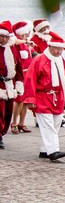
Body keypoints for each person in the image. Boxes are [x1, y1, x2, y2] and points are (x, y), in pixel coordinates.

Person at [22, 32, 65, 162]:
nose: (59, 51)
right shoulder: (39, 60)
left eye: (61, 49)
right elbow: (30, 79)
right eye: (56, 48)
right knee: (48, 125)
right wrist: (30, 99)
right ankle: (53, 151)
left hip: (57, 96)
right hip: (43, 96)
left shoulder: (61, 61)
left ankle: (45, 150)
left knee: (55, 124)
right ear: (50, 46)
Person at [0, 21, 25, 149]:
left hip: (10, 84)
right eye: (1, 36)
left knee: (8, 112)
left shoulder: (13, 49)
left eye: (5, 36)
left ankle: (2, 132)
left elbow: (19, 67)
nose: (3, 39)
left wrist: (20, 83)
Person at [9, 21, 34, 135]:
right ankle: (14, 122)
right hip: (20, 74)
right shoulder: (15, 42)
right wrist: (26, 41)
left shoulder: (26, 44)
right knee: (18, 100)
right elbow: (14, 41)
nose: (28, 34)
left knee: (25, 100)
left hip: (28, 74)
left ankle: (22, 123)